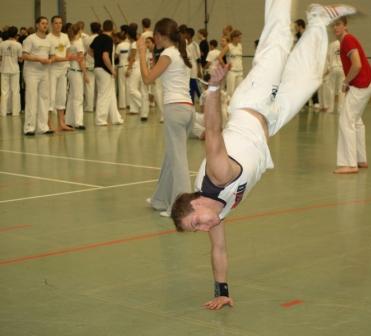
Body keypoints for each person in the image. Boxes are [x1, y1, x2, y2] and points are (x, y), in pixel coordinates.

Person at [169, 0, 356, 310]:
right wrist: (221, 290)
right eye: (197, 229)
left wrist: (213, 91)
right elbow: (219, 251)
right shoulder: (215, 213)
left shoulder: (216, 177)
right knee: (310, 77)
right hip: (270, 121)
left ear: (197, 201)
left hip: (252, 100)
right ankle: (318, 18)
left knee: (278, 40)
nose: (203, 228)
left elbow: (213, 133)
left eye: (197, 222)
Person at [137, 17, 194, 217]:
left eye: (155, 35)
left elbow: (147, 79)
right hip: (187, 109)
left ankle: (181, 207)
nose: (154, 38)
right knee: (171, 156)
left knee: (178, 160)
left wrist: (141, 53)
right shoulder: (179, 52)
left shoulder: (169, 54)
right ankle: (160, 200)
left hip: (175, 110)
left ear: (161, 36)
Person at [333, 16, 371, 174]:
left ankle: (350, 164)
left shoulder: (347, 40)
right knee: (356, 121)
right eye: (333, 25)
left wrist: (346, 82)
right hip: (365, 83)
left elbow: (356, 64)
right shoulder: (347, 40)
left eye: (338, 25)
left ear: (345, 25)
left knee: (346, 120)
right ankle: (360, 159)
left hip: (361, 84)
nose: (335, 28)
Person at [22, 16, 55, 136]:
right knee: (31, 98)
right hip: (31, 72)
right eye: (42, 23)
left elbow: (52, 55)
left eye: (46, 23)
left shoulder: (49, 41)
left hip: (45, 72)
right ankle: (29, 127)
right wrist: (39, 59)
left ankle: (43, 126)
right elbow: (24, 55)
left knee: (44, 98)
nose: (45, 25)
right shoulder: (30, 39)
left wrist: (50, 60)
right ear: (37, 25)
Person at [89, 20, 123, 126]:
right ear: (113, 28)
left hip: (97, 68)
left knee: (111, 93)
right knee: (104, 94)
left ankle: (115, 118)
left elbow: (89, 51)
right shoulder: (109, 40)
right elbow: (105, 56)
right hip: (105, 69)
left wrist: (97, 58)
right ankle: (100, 119)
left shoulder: (97, 38)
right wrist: (112, 70)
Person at [47, 16, 74, 131]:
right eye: (56, 23)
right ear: (52, 25)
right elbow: (52, 57)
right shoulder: (48, 38)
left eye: (60, 23)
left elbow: (67, 51)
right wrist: (67, 58)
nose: (58, 25)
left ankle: (62, 123)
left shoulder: (65, 36)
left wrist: (67, 58)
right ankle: (47, 124)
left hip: (63, 70)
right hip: (52, 70)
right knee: (50, 97)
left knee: (62, 97)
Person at [65, 22, 88, 129]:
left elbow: (68, 55)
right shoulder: (78, 43)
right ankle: (79, 122)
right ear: (80, 30)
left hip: (70, 71)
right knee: (78, 97)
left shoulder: (70, 41)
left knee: (71, 96)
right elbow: (81, 60)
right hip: (77, 71)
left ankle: (69, 120)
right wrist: (85, 73)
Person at [0, 26, 23, 117]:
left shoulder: (1, 44)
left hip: (4, 69)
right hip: (14, 70)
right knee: (15, 91)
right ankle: (15, 112)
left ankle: (3, 112)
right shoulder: (18, 45)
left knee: (4, 91)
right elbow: (20, 59)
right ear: (16, 34)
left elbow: (0, 57)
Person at [218, 29, 243, 97]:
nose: (240, 39)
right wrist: (225, 66)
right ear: (234, 38)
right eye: (239, 37)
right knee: (230, 92)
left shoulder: (240, 46)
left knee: (239, 91)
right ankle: (228, 107)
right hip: (231, 72)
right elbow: (219, 57)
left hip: (240, 71)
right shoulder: (229, 46)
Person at [83, 22, 101, 112]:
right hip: (99, 65)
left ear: (91, 29)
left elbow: (85, 51)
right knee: (100, 87)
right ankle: (99, 106)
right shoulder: (101, 38)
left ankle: (89, 107)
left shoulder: (86, 39)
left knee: (89, 87)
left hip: (89, 64)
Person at [324, 39, 344, 113]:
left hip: (333, 68)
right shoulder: (344, 44)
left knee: (331, 89)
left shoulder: (331, 45)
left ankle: (330, 108)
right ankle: (340, 109)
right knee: (341, 90)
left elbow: (328, 58)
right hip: (342, 68)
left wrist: (328, 68)